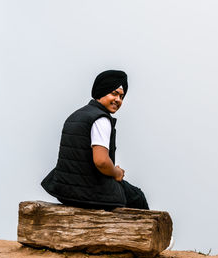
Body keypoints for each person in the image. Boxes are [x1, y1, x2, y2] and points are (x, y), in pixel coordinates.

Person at [41, 70, 149, 210]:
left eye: (121, 96)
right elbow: (102, 161)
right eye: (114, 93)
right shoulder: (101, 119)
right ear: (101, 91)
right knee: (137, 197)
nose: (118, 100)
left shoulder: (78, 115)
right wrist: (117, 173)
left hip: (64, 189)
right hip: (89, 192)